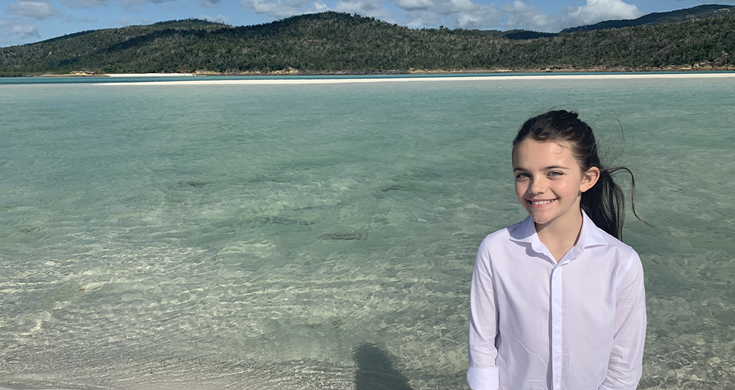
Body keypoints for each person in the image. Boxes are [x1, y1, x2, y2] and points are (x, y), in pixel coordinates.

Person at [467, 110, 647, 390]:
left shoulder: (621, 261)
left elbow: (624, 361)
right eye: (523, 175)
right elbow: (482, 347)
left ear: (587, 179)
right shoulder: (496, 250)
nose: (536, 188)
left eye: (554, 173)